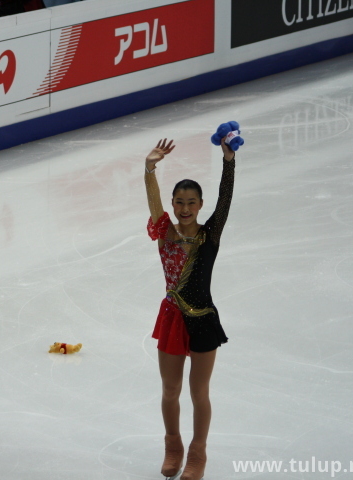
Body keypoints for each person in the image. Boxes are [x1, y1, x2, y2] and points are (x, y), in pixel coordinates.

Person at [143, 137, 236, 480]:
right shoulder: (165, 232)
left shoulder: (210, 235)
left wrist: (228, 162)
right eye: (179, 202)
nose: (185, 208)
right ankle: (173, 447)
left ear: (200, 205)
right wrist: (149, 169)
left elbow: (225, 200)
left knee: (199, 393)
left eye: (191, 203)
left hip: (203, 322)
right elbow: (153, 203)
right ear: (172, 204)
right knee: (170, 390)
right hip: (172, 319)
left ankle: (198, 453)